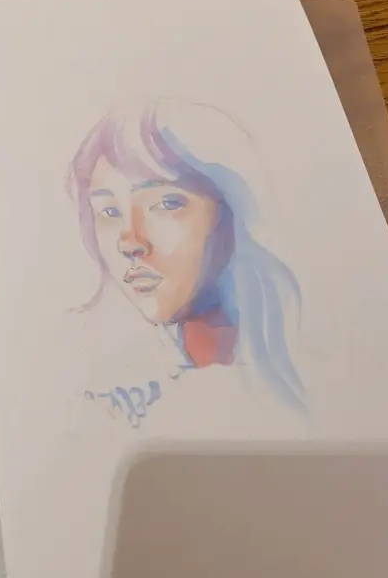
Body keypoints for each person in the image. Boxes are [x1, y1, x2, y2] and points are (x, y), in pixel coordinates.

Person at [67, 99, 304, 411]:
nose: (130, 242)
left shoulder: (307, 366)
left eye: (167, 204)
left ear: (234, 209)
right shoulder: (107, 385)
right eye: (109, 211)